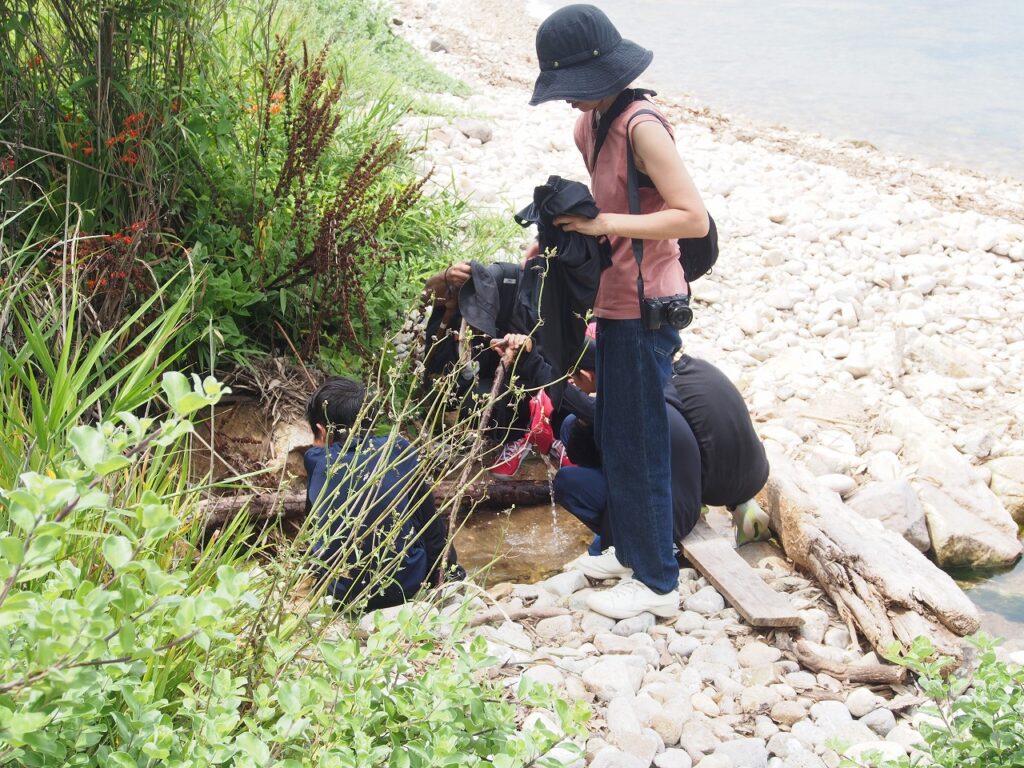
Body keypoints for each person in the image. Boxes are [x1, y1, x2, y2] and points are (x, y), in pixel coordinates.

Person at [530, 4, 710, 618]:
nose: (568, 101)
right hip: (609, 303)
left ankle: (657, 581)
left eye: (572, 87)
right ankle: (618, 547)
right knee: (614, 435)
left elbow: (692, 217)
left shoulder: (642, 125)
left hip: (648, 306)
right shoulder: (590, 125)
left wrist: (603, 223)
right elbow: (597, 208)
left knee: (641, 443)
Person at [554, 347, 772, 578]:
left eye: (575, 379)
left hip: (709, 487)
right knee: (574, 425)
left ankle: (628, 544)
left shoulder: (653, 394)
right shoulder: (695, 369)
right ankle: (741, 507)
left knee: (579, 462)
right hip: (754, 472)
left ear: (587, 376)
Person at [304, 376, 463, 610]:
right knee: (424, 512)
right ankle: (446, 576)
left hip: (343, 594)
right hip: (405, 587)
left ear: (321, 429)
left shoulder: (317, 461)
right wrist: (450, 573)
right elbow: (429, 524)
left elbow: (313, 530)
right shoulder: (398, 449)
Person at [421, 260, 568, 476]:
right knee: (476, 398)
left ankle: (538, 433)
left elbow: (555, 364)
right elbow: (425, 296)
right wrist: (444, 277)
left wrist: (525, 347)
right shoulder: (469, 287)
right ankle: (512, 435)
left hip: (534, 377)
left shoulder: (537, 295)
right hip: (488, 377)